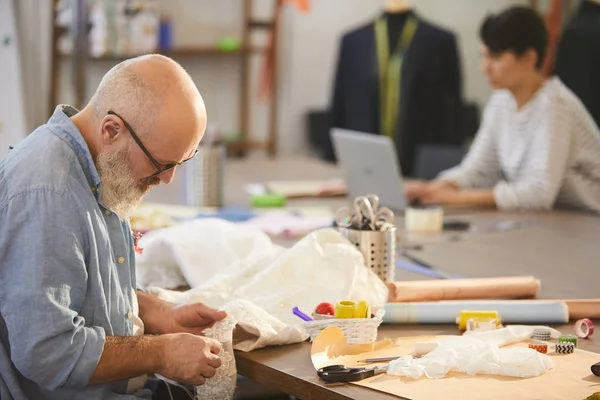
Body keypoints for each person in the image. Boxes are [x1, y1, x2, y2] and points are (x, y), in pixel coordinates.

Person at [0, 55, 228, 399]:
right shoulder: (49, 192)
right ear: (111, 130)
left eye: (182, 161)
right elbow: (48, 352)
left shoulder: (102, 166)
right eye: (161, 163)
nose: (167, 179)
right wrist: (161, 352)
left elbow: (80, 287)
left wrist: (159, 314)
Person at [407, 6, 600, 213]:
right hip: (558, 219)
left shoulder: (555, 105)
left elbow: (538, 193)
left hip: (589, 223)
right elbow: (478, 169)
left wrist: (456, 197)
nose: (485, 68)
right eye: (484, 56)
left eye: (495, 57)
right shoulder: (501, 101)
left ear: (529, 58)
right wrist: (432, 188)